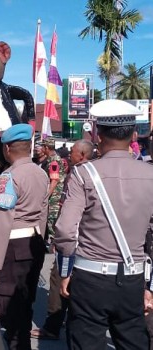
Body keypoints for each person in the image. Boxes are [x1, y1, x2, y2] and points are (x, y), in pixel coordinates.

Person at [54, 99, 153, 350]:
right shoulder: (150, 174)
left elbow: (65, 230)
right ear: (132, 134)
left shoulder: (83, 173)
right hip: (133, 277)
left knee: (86, 341)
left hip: (90, 277)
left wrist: (66, 271)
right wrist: (149, 286)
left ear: (98, 135)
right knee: (133, 340)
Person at [0, 124, 49, 350]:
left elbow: (3, 221)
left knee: (9, 304)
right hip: (35, 243)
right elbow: (44, 212)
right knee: (25, 299)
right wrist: (40, 242)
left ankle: (18, 343)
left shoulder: (8, 177)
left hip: (14, 245)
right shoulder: (41, 173)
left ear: (7, 148)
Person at [31, 139, 94, 341]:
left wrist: (60, 241)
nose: (70, 155)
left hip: (74, 238)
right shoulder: (95, 173)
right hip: (89, 240)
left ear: (82, 155)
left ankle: (53, 325)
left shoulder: (77, 174)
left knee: (59, 279)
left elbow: (68, 210)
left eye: (74, 152)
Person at [41, 137, 66, 249]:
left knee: (51, 219)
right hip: (55, 195)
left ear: (46, 148)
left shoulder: (54, 162)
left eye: (43, 147)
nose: (41, 149)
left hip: (54, 196)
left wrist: (47, 195)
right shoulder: (52, 160)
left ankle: (54, 244)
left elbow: (54, 180)